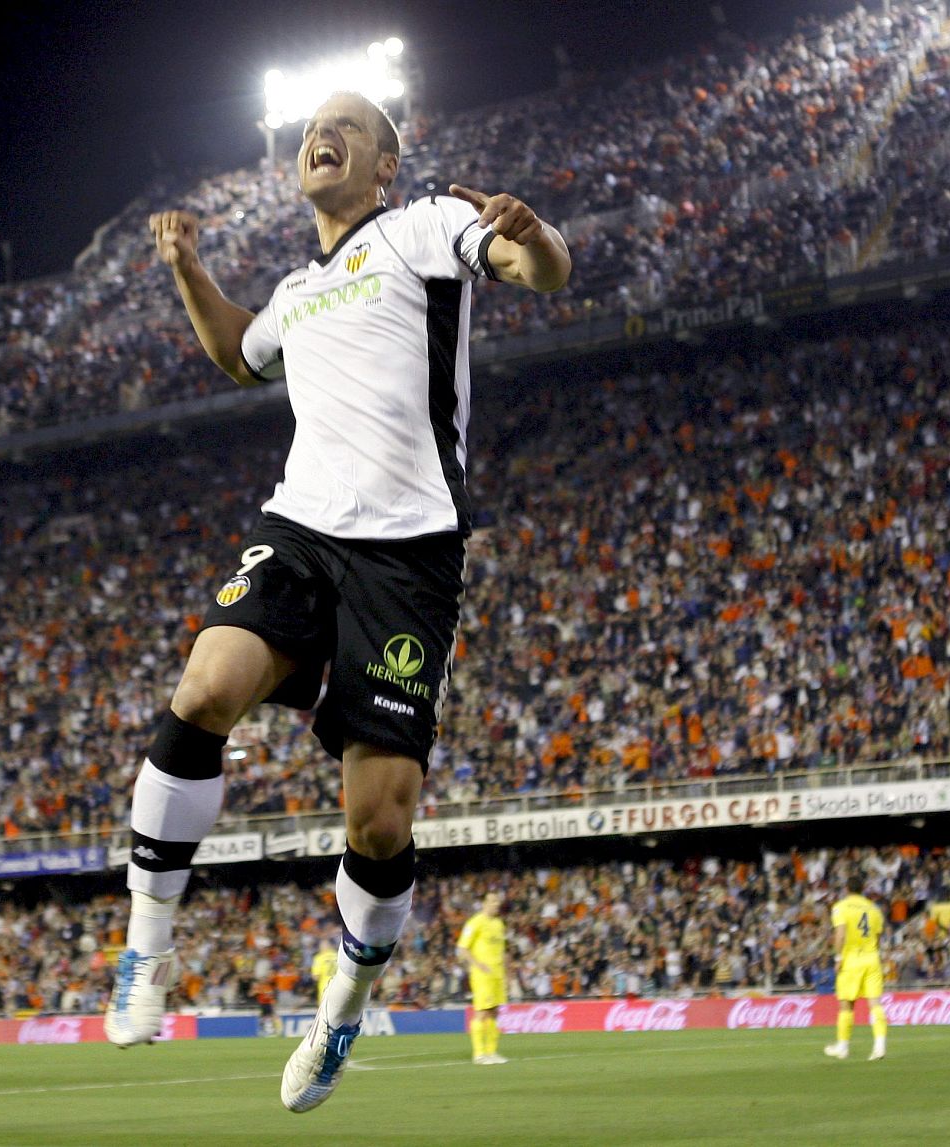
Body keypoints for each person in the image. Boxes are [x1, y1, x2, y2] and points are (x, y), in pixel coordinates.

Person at [102, 88, 570, 1116]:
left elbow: (539, 271)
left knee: (381, 819)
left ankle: (343, 1003)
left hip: (407, 555)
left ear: (382, 167)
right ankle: (146, 946)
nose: (324, 134)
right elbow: (237, 350)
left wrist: (534, 239)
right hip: (301, 527)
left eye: (348, 127)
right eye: (317, 124)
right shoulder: (297, 287)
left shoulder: (425, 228)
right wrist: (189, 269)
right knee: (207, 684)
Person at [823, 875, 888, 1061]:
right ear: (862, 889)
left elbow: (840, 934)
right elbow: (877, 937)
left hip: (851, 959)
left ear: (847, 889)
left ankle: (842, 1047)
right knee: (875, 1004)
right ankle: (879, 1046)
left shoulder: (841, 907)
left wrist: (837, 958)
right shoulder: (874, 909)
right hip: (872, 958)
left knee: (846, 1004)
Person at [456, 891, 509, 1064]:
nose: (496, 904)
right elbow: (463, 948)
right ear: (484, 903)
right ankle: (479, 1054)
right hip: (482, 975)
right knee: (482, 1013)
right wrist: (477, 965)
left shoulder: (499, 923)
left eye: (497, 901)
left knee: (494, 1012)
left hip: (497, 975)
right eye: (493, 901)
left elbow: (501, 951)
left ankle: (491, 1052)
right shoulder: (475, 922)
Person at [310, 931, 339, 1007]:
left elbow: (315, 976)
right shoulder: (338, 955)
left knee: (324, 1012)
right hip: (339, 987)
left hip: (325, 987)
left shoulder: (319, 957)